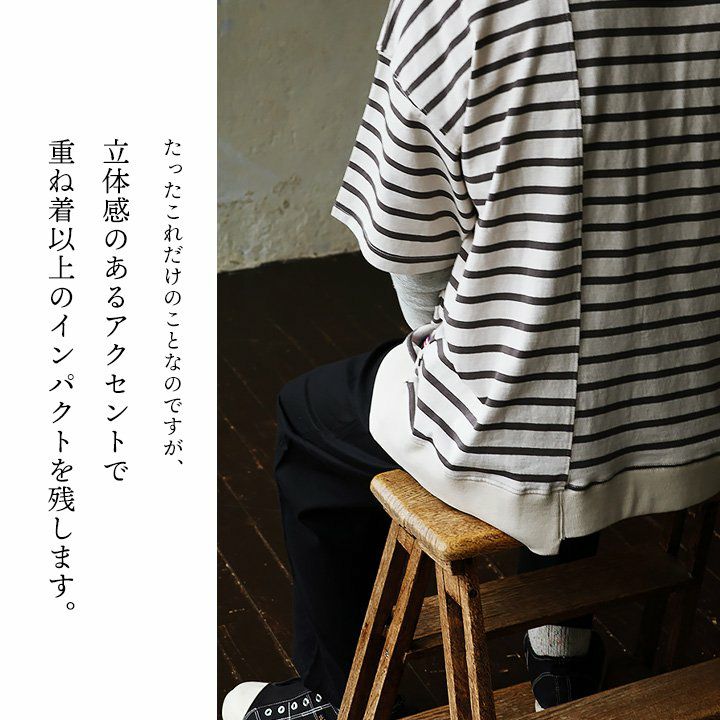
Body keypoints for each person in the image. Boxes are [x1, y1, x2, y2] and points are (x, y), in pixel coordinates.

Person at [223, 1, 720, 717]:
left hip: (539, 428)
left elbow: (413, 254)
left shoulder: (454, 10)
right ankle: (561, 659)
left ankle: (332, 695)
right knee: (575, 356)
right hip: (696, 408)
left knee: (308, 416)